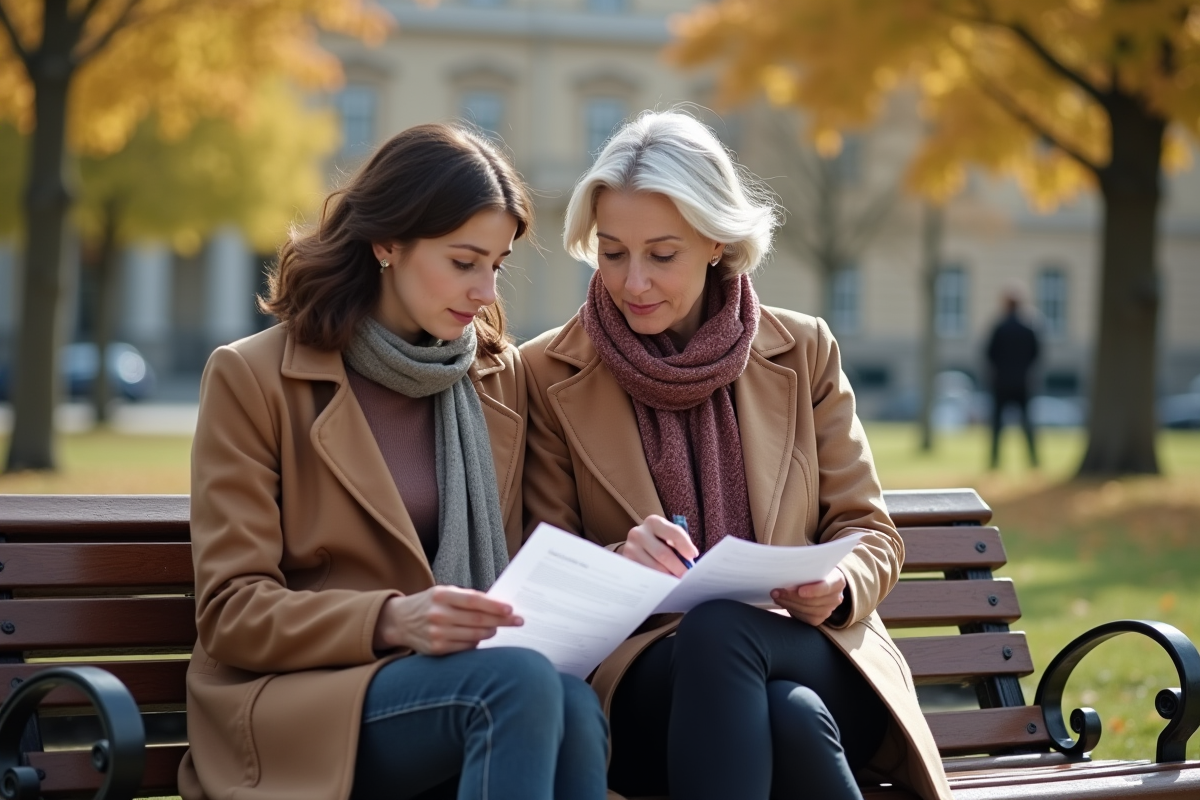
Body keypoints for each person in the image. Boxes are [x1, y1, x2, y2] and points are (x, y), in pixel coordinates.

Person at [522, 110, 952, 800]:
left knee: (735, 641)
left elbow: (869, 531)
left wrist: (838, 586)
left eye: (662, 255)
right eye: (611, 252)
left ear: (717, 242)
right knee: (790, 718)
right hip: (643, 681)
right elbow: (542, 563)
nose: (633, 282)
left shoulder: (803, 348)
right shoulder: (544, 372)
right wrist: (617, 563)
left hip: (812, 649)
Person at [181, 124, 608, 800]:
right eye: (464, 262)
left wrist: (621, 559)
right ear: (387, 243)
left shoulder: (494, 378)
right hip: (309, 706)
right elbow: (232, 612)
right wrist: (389, 619)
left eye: (496, 265)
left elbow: (534, 561)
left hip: (463, 687)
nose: (487, 292)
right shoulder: (252, 378)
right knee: (519, 685)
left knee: (574, 705)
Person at [986, 291, 1040, 469]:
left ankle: (994, 461)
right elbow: (1036, 354)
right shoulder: (1029, 328)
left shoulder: (1000, 328)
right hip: (1023, 382)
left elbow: (989, 353)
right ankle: (1033, 461)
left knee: (997, 426)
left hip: (1001, 382)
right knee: (1027, 424)